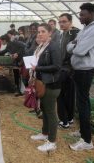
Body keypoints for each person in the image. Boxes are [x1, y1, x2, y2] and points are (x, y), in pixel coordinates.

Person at [67, 3, 94, 151]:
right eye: (80, 14)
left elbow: (80, 50)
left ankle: (87, 141)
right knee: (82, 102)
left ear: (91, 14)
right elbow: (70, 46)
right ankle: (83, 131)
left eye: (83, 14)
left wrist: (76, 45)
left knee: (82, 104)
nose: (80, 17)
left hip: (86, 70)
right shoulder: (85, 29)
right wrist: (75, 44)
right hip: (80, 70)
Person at [30, 23, 61, 152]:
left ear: (50, 33)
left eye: (43, 31)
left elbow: (57, 66)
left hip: (51, 84)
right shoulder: (42, 46)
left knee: (50, 113)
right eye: (39, 32)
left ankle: (52, 141)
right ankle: (45, 133)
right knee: (44, 110)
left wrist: (38, 68)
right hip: (42, 83)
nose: (40, 34)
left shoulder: (53, 47)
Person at [57, 14, 79, 129]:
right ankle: (68, 119)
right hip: (63, 67)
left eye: (64, 21)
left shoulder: (75, 34)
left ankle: (64, 120)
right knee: (67, 94)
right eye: (60, 22)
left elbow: (74, 52)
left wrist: (69, 67)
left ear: (70, 21)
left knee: (63, 95)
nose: (61, 24)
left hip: (69, 68)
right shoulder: (62, 34)